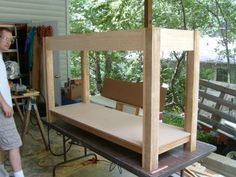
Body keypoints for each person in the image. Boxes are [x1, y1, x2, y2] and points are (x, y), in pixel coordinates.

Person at [0, 27, 24, 177]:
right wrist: (4, 104)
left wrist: (7, 86)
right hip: (2, 108)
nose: (9, 42)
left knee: (1, 144)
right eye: (5, 38)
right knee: (14, 144)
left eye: (11, 40)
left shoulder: (0, 57)